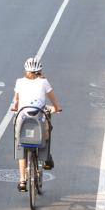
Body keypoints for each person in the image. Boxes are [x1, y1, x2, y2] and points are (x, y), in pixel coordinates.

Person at [10, 57, 62, 192]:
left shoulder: (19, 82)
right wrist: (56, 108)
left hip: (23, 118)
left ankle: (22, 180)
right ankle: (46, 158)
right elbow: (54, 101)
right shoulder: (44, 82)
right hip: (39, 117)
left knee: (20, 144)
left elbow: (15, 101)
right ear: (40, 70)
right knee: (46, 131)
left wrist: (15, 107)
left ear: (26, 70)